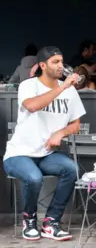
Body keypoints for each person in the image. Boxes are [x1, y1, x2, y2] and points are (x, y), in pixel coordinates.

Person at [3, 46, 86, 241]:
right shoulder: (29, 85)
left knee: (71, 169)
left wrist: (61, 132)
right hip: (19, 154)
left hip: (46, 154)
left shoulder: (70, 92)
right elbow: (32, 106)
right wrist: (63, 87)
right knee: (34, 178)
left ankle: (51, 221)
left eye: (61, 61)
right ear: (42, 65)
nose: (61, 66)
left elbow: (76, 125)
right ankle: (29, 219)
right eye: (55, 62)